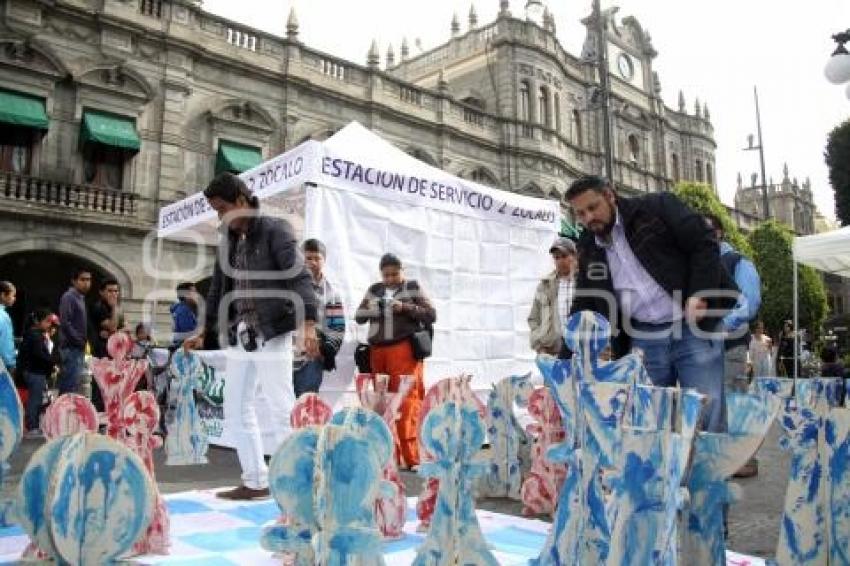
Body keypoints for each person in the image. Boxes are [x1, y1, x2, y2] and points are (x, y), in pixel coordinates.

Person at [184, 172, 319, 501]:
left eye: (222, 208)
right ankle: (256, 480)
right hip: (241, 333)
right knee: (236, 409)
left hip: (272, 330)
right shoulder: (227, 241)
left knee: (281, 407)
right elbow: (218, 289)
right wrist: (204, 329)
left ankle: (299, 484)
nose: (220, 216)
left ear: (241, 201)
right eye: (216, 211)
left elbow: (299, 276)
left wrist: (309, 323)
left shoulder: (276, 230)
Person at [567, 176, 737, 432]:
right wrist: (566, 355)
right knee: (649, 419)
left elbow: (704, 241)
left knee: (705, 412)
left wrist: (700, 293)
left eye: (593, 207)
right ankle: (665, 472)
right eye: (580, 214)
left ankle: (709, 471)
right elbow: (584, 300)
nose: (589, 218)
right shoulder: (588, 247)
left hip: (692, 327)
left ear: (611, 196)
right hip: (643, 337)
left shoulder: (657, 207)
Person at [355, 253, 436, 469]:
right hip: (377, 351)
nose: (390, 278)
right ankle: (388, 456)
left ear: (403, 271)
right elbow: (359, 316)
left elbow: (431, 314)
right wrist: (375, 307)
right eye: (386, 275)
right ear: (381, 274)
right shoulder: (375, 289)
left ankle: (412, 458)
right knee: (381, 403)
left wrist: (405, 307)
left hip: (404, 350)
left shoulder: (412, 286)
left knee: (407, 401)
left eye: (394, 274)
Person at [704, 214, 762, 395]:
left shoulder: (738, 261)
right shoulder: (699, 263)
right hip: (702, 349)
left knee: (732, 405)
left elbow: (749, 304)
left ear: (719, 233)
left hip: (730, 346)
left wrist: (722, 324)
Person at [292, 239, 345, 398]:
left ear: (324, 260)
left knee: (306, 408)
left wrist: (323, 350)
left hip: (310, 361)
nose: (312, 262)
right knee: (282, 409)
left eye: (317, 258)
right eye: (307, 258)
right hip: (283, 357)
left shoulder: (331, 294)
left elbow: (337, 327)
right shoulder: (288, 286)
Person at [528, 237, 578, 359]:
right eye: (556, 258)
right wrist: (539, 345)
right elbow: (533, 319)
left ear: (575, 256)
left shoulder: (585, 282)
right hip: (553, 352)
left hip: (582, 352)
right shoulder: (544, 285)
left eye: (564, 256)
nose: (560, 261)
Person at [18, 308, 57, 437]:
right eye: (47, 321)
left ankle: (33, 425)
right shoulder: (35, 336)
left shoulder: (34, 334)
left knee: (36, 399)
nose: (49, 325)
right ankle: (32, 426)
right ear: (38, 321)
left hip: (34, 371)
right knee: (35, 400)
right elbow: (40, 355)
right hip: (35, 372)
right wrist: (52, 364)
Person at [58, 269, 91, 395]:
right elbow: (65, 323)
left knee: (73, 384)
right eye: (83, 280)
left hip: (76, 348)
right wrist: (79, 341)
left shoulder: (80, 298)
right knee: (69, 386)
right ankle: (62, 413)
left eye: (88, 280)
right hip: (71, 348)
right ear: (74, 281)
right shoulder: (69, 297)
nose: (86, 283)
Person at [171, 282, 199, 348]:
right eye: (194, 292)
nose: (197, 295)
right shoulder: (184, 312)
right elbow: (189, 335)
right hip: (185, 349)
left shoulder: (184, 309)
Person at [0, 281, 16, 374]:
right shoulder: (3, 316)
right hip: (4, 365)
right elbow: (5, 343)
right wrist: (11, 363)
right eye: (13, 295)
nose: (14, 299)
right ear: (3, 295)